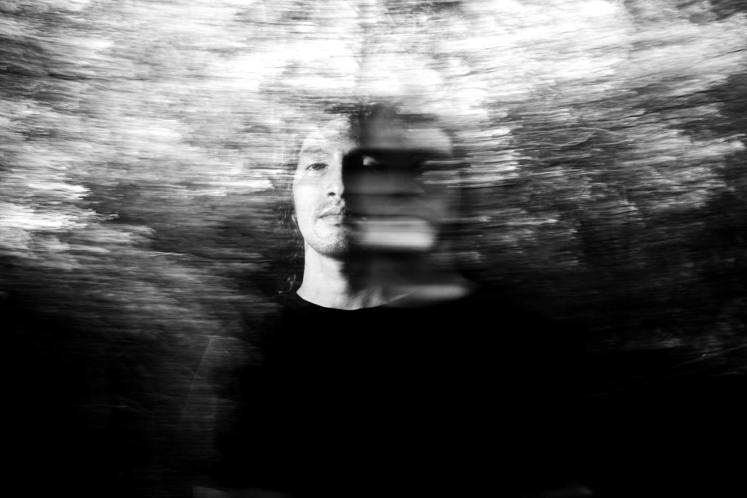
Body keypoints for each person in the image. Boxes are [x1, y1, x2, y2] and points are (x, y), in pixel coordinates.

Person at [182, 102, 590, 498]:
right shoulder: (243, 346)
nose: (340, 186)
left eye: (368, 166)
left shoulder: (506, 340)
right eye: (317, 165)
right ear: (291, 192)